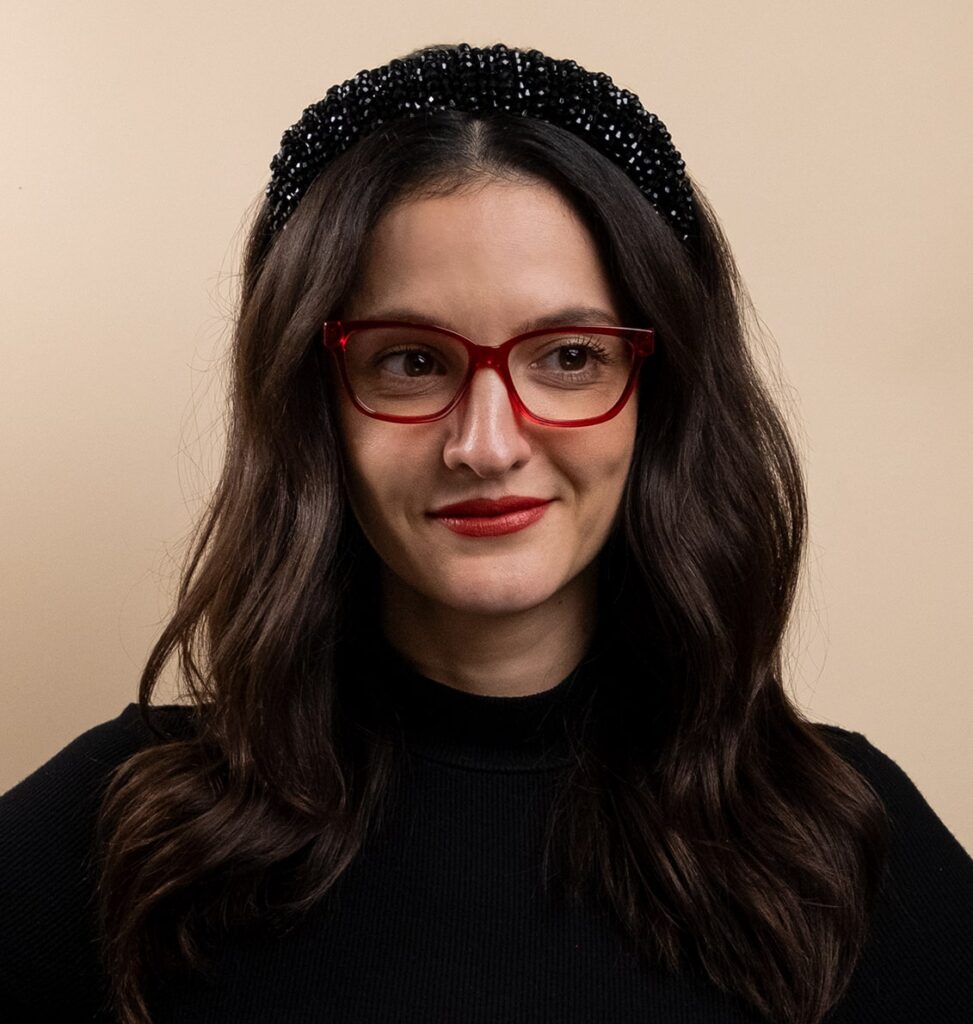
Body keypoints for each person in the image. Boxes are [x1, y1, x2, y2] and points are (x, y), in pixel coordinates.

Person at [1, 40, 971, 1024]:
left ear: (659, 391)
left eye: (567, 355)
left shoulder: (839, 840)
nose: (486, 442)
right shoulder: (124, 839)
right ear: (315, 401)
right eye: (412, 361)